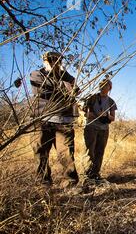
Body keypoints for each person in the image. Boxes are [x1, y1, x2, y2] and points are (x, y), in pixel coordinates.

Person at [29, 51, 80, 187]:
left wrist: (66, 76)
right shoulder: (37, 74)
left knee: (66, 154)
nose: (54, 62)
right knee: (41, 153)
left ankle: (70, 184)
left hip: (64, 121)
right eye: (50, 59)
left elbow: (76, 90)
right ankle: (43, 183)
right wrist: (65, 89)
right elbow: (44, 91)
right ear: (45, 61)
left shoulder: (66, 77)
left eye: (57, 60)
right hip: (43, 121)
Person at [83, 78, 117, 181]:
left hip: (104, 129)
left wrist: (106, 116)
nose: (103, 87)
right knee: (89, 152)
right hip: (91, 127)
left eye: (106, 85)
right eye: (102, 85)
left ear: (110, 88)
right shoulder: (92, 98)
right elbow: (85, 113)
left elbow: (113, 118)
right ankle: (87, 176)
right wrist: (97, 115)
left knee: (100, 152)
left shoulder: (111, 101)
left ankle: (95, 175)